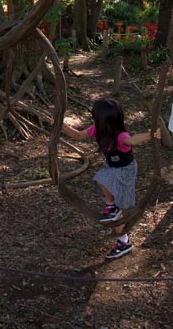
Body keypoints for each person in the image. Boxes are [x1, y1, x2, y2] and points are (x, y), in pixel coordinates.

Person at [63, 98, 153, 259]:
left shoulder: (120, 136)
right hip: (112, 167)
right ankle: (123, 241)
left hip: (125, 170)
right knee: (111, 201)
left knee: (102, 179)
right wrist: (59, 124)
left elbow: (132, 140)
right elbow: (76, 135)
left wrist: (149, 134)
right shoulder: (96, 130)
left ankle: (112, 207)